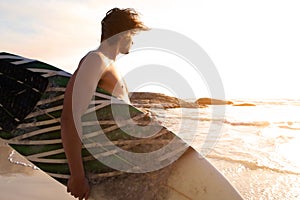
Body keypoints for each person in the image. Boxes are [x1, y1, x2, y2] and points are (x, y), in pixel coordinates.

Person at [61, 8, 149, 200]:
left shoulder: (110, 66)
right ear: (124, 34)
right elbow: (70, 116)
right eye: (132, 35)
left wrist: (139, 118)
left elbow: (108, 115)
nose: (133, 41)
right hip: (102, 169)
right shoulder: (96, 60)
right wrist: (77, 175)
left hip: (118, 169)